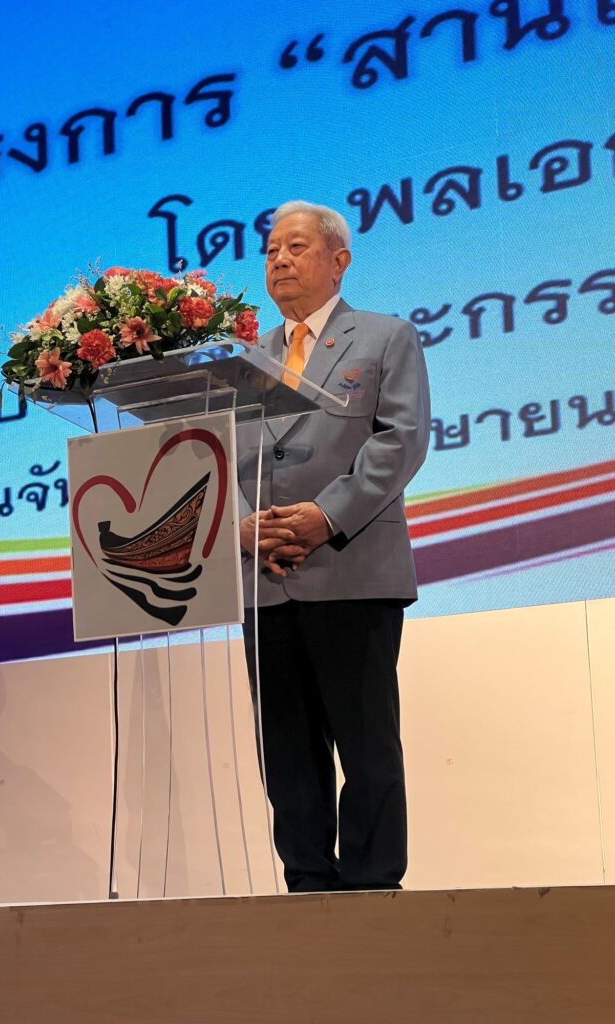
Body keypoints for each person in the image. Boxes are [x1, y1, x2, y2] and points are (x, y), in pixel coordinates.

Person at [236, 199, 430, 893]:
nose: (279, 260)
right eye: (270, 251)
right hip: (264, 578)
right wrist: (242, 527)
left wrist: (324, 516)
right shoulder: (245, 362)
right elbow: (216, 460)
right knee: (287, 753)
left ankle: (374, 891)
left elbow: (400, 441)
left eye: (295, 247)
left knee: (366, 746)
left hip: (352, 568)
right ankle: (308, 891)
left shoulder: (384, 337)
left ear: (338, 260)